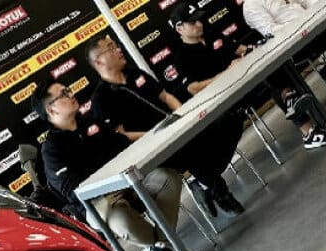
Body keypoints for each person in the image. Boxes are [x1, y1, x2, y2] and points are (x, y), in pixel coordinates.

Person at [33, 80, 183, 251]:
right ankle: (164, 247)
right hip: (99, 203)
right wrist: (108, 188)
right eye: (64, 93)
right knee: (122, 220)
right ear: (51, 109)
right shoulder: (51, 149)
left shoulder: (90, 121)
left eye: (68, 89)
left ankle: (159, 250)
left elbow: (121, 144)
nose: (71, 93)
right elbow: (72, 190)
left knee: (167, 178)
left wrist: (151, 136)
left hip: (128, 183)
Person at [86, 34, 245, 218]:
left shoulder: (135, 73)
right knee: (191, 149)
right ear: (99, 62)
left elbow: (166, 97)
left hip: (177, 128)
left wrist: (183, 116)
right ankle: (219, 191)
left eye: (116, 45)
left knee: (229, 120)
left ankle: (203, 182)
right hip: (153, 150)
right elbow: (122, 135)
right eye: (111, 48)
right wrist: (156, 136)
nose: (118, 49)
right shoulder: (101, 98)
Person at [170, 3, 326, 150]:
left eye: (199, 19)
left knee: (275, 68)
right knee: (275, 86)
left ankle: (293, 104)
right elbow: (193, 88)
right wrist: (226, 74)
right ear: (179, 28)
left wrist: (254, 49)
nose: (199, 24)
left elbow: (238, 49)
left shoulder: (210, 33)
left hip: (247, 80)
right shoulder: (181, 56)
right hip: (226, 98)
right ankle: (309, 132)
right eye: (192, 22)